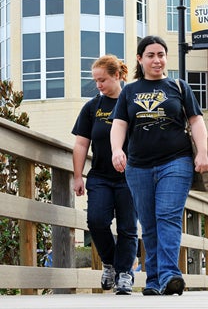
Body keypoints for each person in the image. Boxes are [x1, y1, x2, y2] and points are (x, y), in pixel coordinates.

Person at [110, 35, 208, 296]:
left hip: (176, 162)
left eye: (161, 55)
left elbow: (196, 121)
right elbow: (119, 124)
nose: (157, 60)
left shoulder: (178, 86)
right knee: (149, 223)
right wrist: (117, 150)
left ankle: (168, 274)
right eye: (151, 55)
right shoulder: (129, 91)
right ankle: (154, 279)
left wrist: (202, 153)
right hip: (138, 166)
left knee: (168, 216)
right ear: (140, 59)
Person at [72, 55, 138, 295]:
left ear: (118, 76)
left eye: (103, 80)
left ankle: (124, 274)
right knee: (96, 221)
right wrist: (78, 176)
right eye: (96, 81)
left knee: (128, 227)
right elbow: (81, 144)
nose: (98, 85)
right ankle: (110, 264)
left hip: (131, 177)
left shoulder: (132, 102)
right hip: (100, 176)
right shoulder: (92, 107)